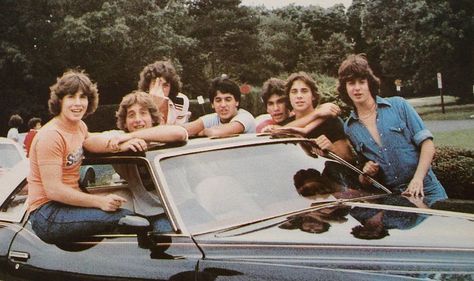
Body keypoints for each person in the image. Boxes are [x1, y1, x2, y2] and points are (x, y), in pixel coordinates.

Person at [27, 70, 147, 244]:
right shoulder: (51, 135)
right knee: (129, 219)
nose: (78, 103)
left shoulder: (79, 126)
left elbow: (90, 141)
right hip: (46, 214)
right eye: (71, 97)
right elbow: (53, 190)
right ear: (60, 100)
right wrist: (100, 202)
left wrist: (120, 144)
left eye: (82, 97)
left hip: (67, 206)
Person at [337, 53, 447, 204]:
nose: (357, 88)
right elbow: (364, 173)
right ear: (345, 88)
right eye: (351, 83)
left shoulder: (399, 105)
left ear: (369, 83)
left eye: (361, 82)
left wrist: (418, 179)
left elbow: (427, 145)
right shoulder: (350, 127)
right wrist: (366, 171)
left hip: (428, 189)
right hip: (395, 198)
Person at [84, 91, 188, 232]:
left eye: (143, 113)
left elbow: (180, 133)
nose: (137, 119)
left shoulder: (161, 134)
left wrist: (131, 136)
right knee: (173, 243)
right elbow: (89, 143)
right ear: (125, 122)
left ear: (152, 118)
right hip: (155, 213)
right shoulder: (119, 138)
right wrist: (121, 146)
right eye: (131, 115)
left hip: (185, 206)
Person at [281, 72, 355, 162]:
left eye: (304, 91)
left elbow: (350, 159)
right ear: (289, 97)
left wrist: (332, 149)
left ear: (313, 96)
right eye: (294, 92)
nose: (299, 96)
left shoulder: (331, 122)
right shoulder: (286, 124)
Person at [258, 77, 342, 135]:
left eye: (280, 102)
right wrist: (317, 113)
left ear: (288, 101)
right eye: (270, 104)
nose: (276, 108)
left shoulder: (326, 118)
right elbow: (278, 131)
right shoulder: (265, 124)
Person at [183, 76, 256, 137]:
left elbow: (217, 133)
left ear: (237, 102)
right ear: (212, 104)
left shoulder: (245, 117)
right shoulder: (212, 118)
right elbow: (182, 130)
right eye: (218, 100)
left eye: (228, 100)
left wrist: (204, 132)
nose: (223, 105)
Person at [137, 60, 190, 125]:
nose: (160, 90)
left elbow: (179, 129)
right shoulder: (139, 104)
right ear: (148, 86)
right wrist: (155, 105)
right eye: (155, 84)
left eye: (165, 85)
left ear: (171, 87)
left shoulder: (181, 101)